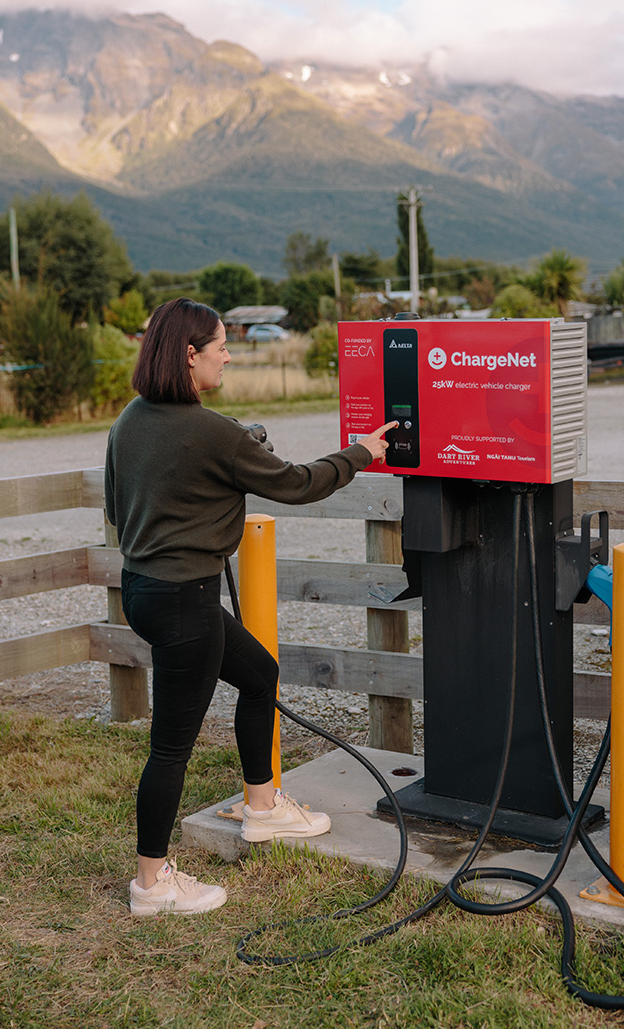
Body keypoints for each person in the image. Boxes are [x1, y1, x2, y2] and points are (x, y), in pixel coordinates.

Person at [104, 297, 395, 917]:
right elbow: (297, 483)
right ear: (189, 355)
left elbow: (120, 502)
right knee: (170, 747)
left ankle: (262, 808)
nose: (228, 355)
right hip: (185, 599)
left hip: (146, 591)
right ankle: (151, 886)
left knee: (261, 675)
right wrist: (363, 452)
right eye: (219, 346)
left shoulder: (130, 420)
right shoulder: (214, 432)